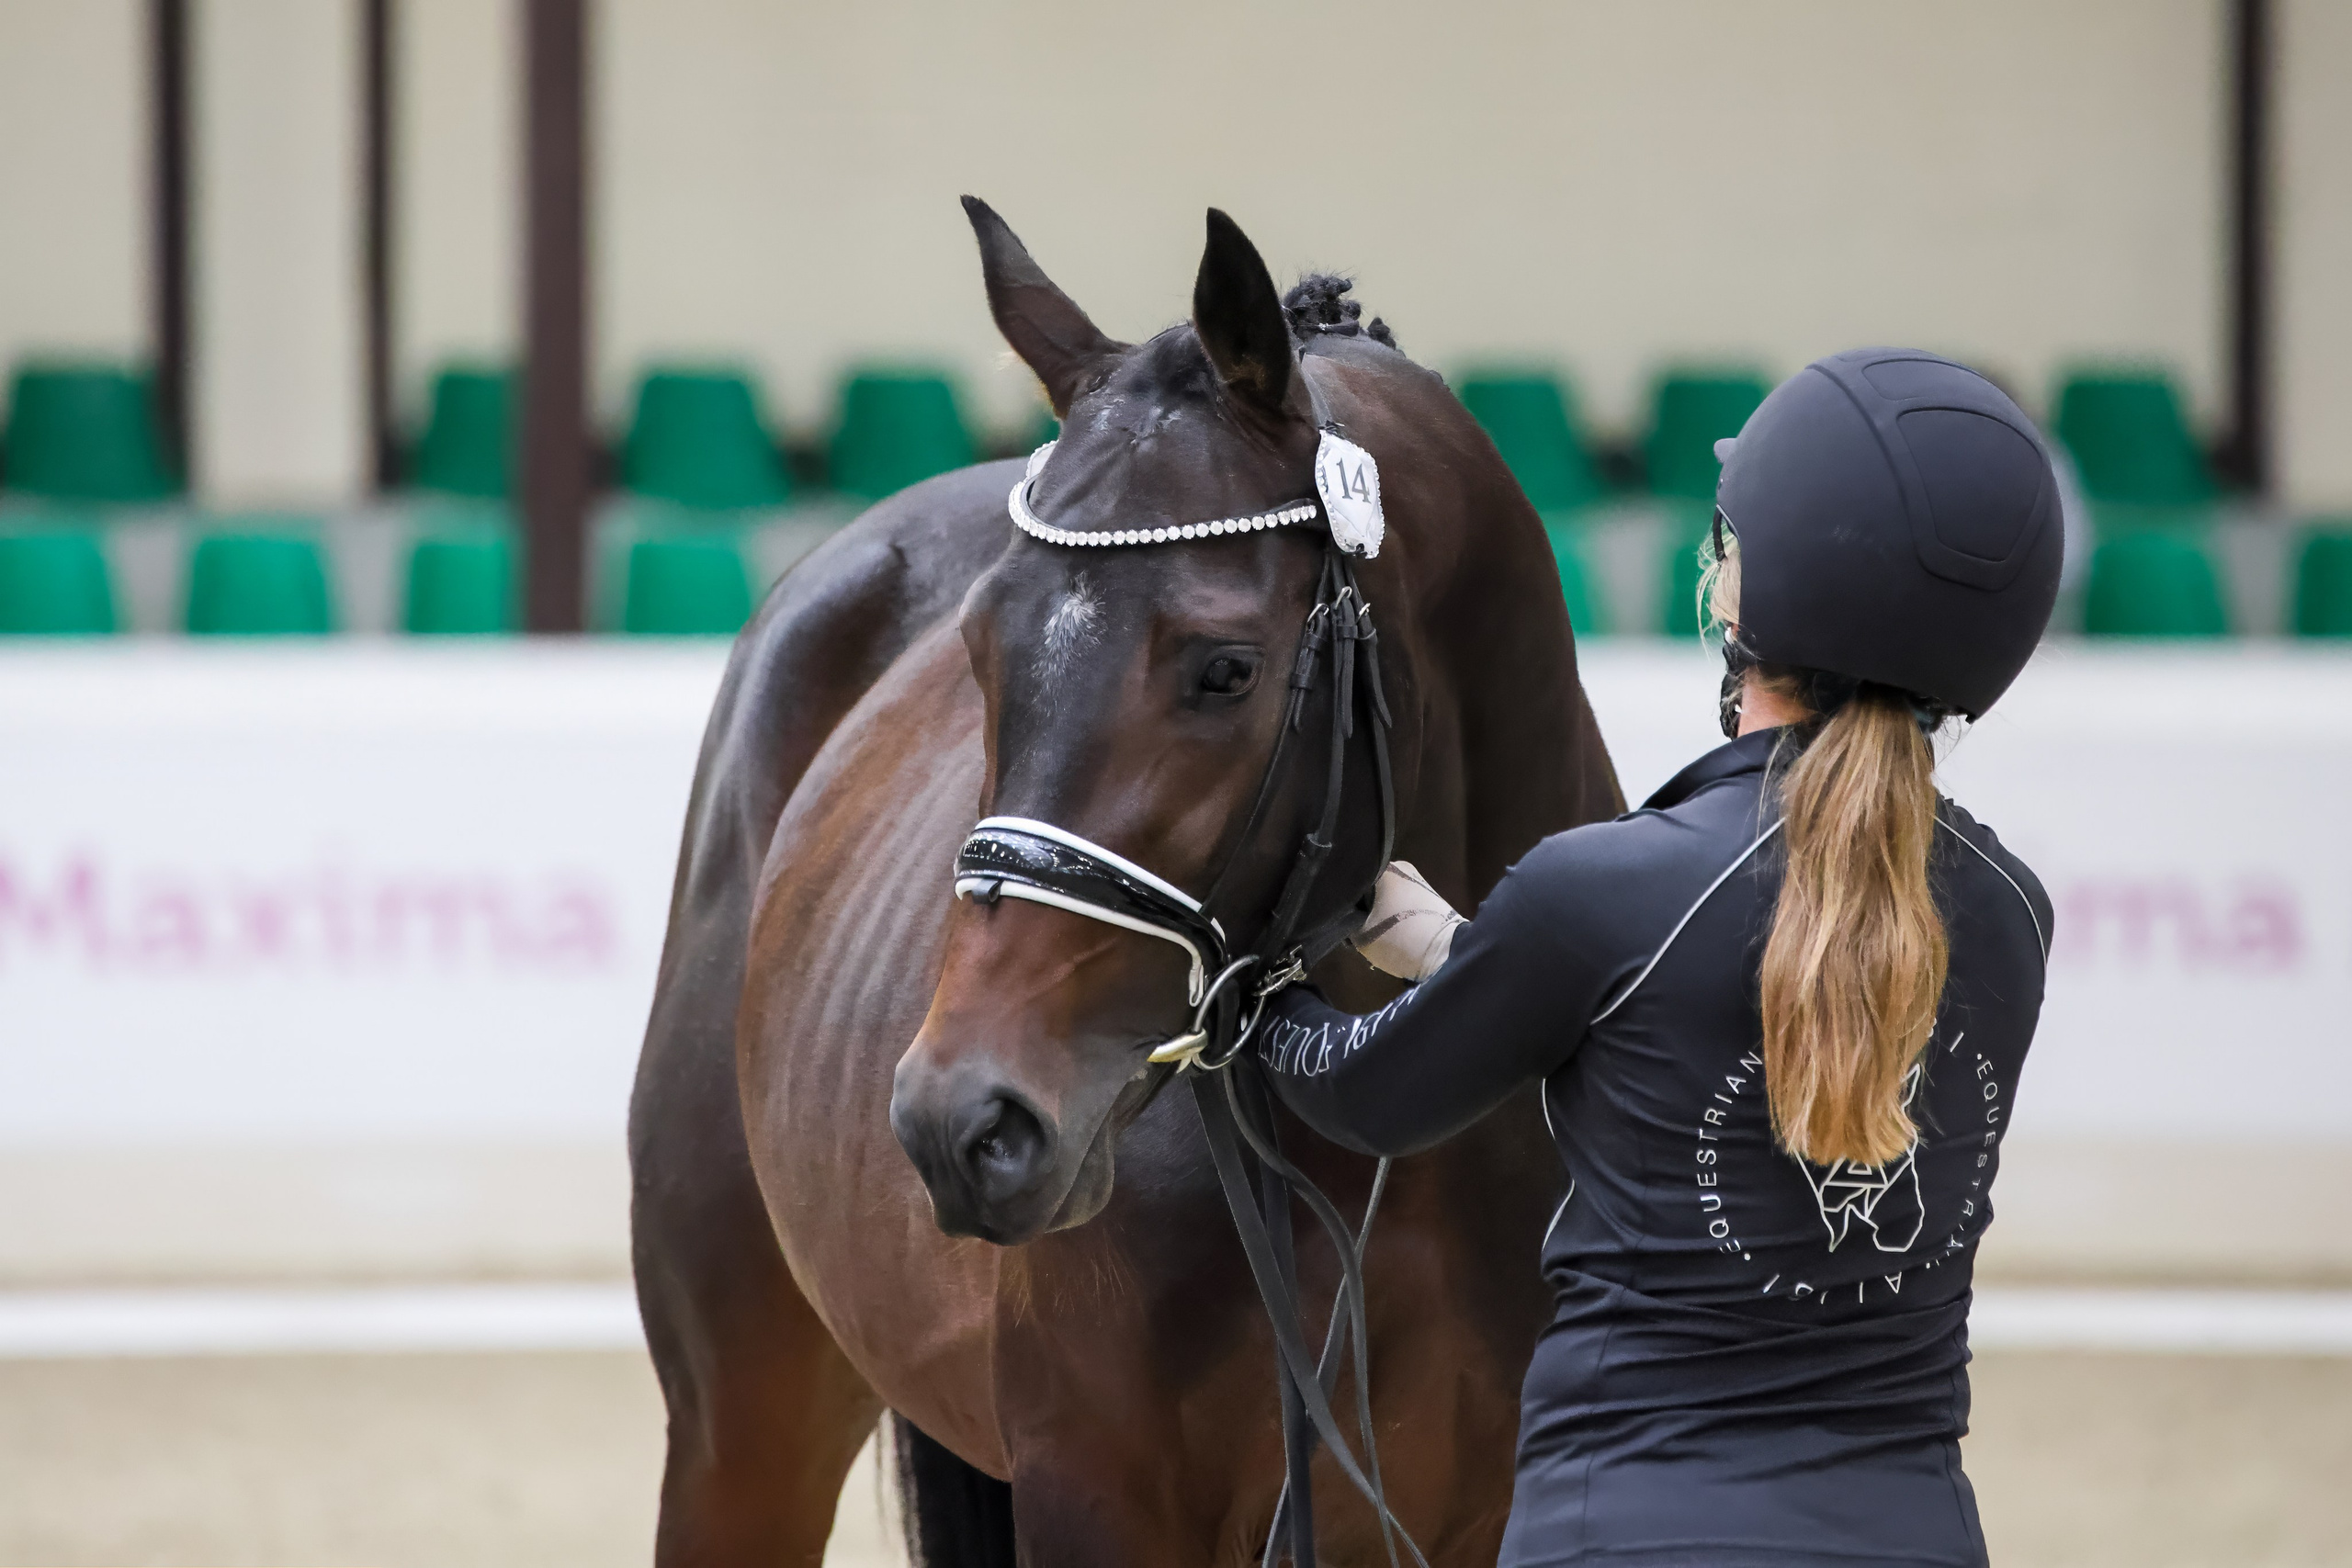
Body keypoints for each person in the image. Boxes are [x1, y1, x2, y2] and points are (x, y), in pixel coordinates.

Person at [1258, 347, 2064, 1568]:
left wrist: (1260, 990)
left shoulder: (1598, 894)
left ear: (1756, 604)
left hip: (1628, 1531)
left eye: (1729, 543)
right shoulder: (2013, 913)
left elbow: (1362, 1094)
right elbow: (1706, 1020)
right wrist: (1473, 959)